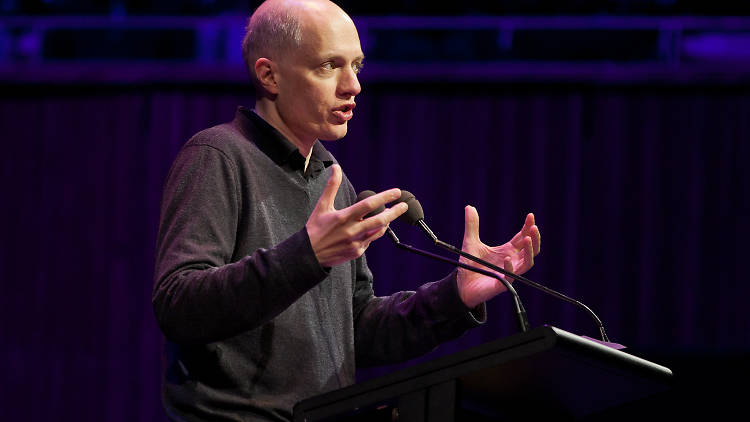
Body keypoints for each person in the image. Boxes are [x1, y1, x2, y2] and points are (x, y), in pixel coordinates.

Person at [152, 0, 541, 421]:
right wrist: (308, 254)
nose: (353, 85)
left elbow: (357, 331)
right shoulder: (218, 156)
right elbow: (179, 305)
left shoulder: (329, 177)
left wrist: (456, 295)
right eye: (328, 66)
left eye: (356, 65)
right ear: (269, 75)